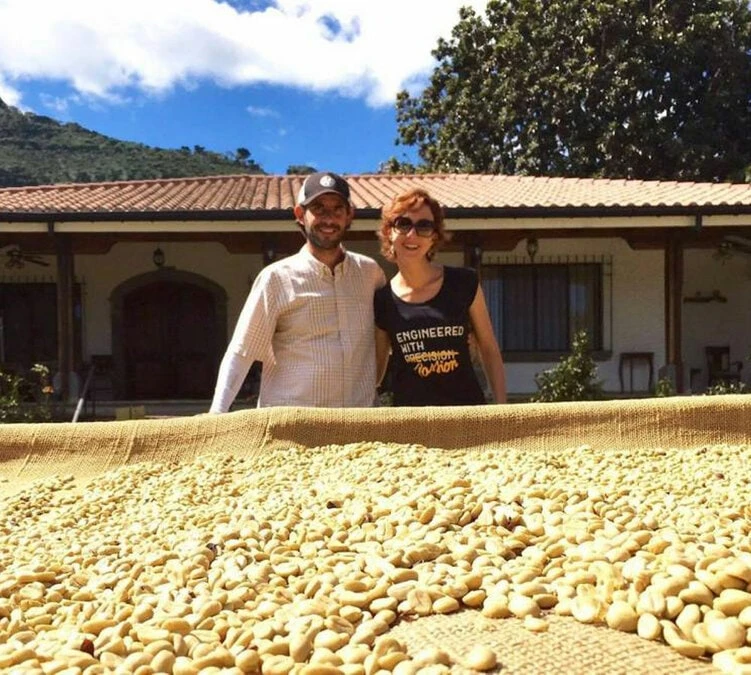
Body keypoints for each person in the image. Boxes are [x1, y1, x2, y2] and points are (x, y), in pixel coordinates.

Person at [209, 171, 386, 411]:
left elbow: (383, 338)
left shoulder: (370, 274)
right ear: (300, 215)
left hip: (357, 421)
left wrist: (374, 387)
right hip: (292, 425)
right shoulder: (276, 278)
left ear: (349, 215)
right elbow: (242, 352)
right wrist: (217, 414)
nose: (329, 219)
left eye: (337, 209)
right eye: (319, 208)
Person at [374, 188, 507, 406]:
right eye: (403, 224)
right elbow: (376, 372)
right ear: (389, 231)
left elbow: (489, 349)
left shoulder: (464, 283)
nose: (412, 234)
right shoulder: (382, 300)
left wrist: (502, 409)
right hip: (410, 420)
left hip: (466, 415)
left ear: (434, 237)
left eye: (424, 226)